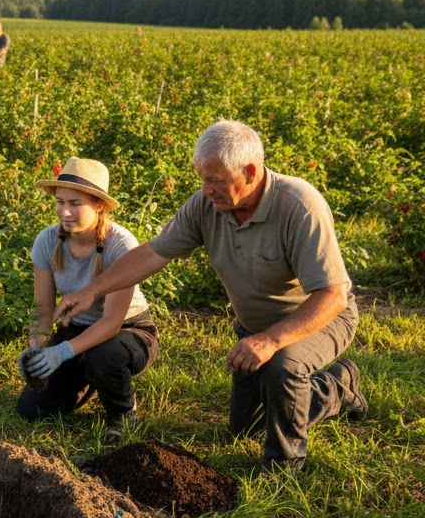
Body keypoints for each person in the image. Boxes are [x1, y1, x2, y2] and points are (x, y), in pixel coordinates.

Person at [54, 120, 367, 474]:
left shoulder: (299, 205)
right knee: (246, 428)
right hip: (255, 329)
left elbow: (333, 295)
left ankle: (283, 467)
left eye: (214, 180)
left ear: (250, 172)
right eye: (202, 179)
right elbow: (153, 254)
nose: (205, 190)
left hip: (317, 317)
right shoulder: (205, 206)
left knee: (284, 365)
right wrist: (92, 290)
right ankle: (336, 386)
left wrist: (270, 341)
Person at [18, 157, 159, 439]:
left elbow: (111, 323)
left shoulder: (120, 244)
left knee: (102, 358)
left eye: (75, 203)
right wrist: (36, 346)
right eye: (60, 202)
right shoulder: (47, 241)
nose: (65, 212)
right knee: (32, 410)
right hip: (76, 327)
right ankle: (85, 380)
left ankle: (122, 412)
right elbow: (43, 309)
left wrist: (62, 352)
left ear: (99, 205)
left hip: (127, 331)